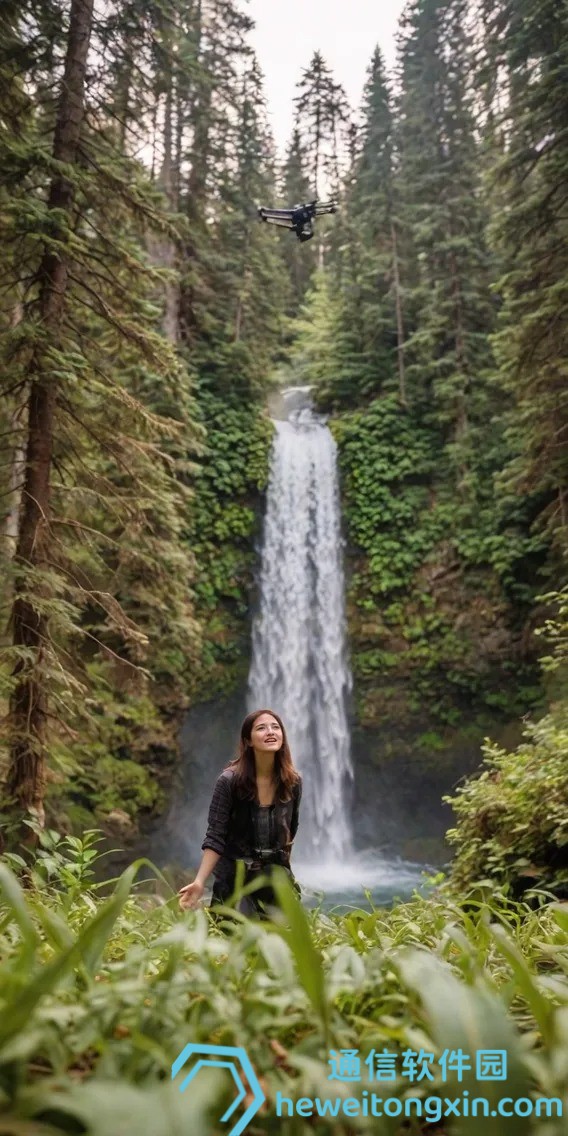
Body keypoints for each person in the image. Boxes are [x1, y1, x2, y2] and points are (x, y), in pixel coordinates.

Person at [178, 708, 302, 919]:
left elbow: (290, 831)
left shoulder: (292, 782)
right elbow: (215, 836)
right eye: (261, 728)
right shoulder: (228, 782)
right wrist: (199, 882)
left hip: (275, 883)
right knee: (233, 935)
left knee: (279, 937)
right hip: (235, 882)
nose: (270, 732)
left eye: (275, 727)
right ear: (248, 741)